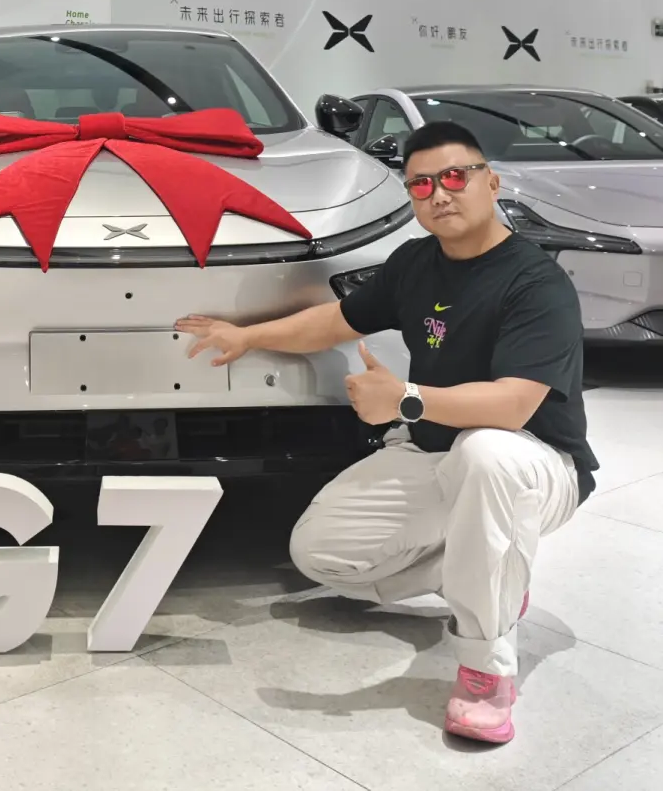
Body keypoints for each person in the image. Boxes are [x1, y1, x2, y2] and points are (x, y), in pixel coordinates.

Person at [177, 119, 596, 746]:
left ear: (491, 182)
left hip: (535, 462)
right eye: (421, 184)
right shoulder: (414, 264)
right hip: (432, 452)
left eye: (455, 176)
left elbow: (512, 407)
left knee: (486, 452)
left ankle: (486, 668)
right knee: (320, 556)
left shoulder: (537, 283)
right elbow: (337, 321)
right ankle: (491, 573)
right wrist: (246, 335)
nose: (439, 194)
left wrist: (405, 400)